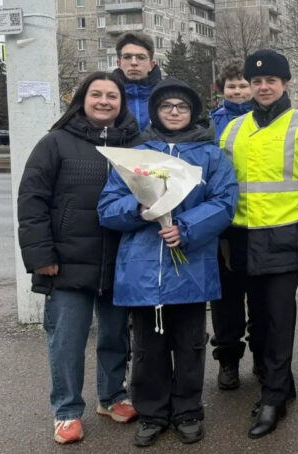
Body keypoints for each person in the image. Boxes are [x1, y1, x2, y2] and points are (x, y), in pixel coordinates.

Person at [98, 78, 238, 447]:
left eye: (182, 106)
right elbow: (107, 208)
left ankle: (188, 410)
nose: (174, 111)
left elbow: (225, 203)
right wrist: (140, 209)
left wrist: (186, 229)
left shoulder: (211, 156)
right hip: (144, 272)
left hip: (190, 268)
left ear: (193, 112)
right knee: (147, 349)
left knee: (190, 345)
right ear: (156, 112)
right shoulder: (136, 156)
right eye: (166, 106)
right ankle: (153, 413)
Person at [17, 71, 141, 445]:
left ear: (122, 104)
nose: (104, 101)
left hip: (118, 261)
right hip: (67, 262)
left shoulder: (134, 145)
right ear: (82, 99)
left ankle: (112, 396)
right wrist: (41, 256)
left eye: (112, 96)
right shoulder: (55, 143)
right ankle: (67, 411)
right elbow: (32, 202)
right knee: (67, 340)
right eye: (96, 94)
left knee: (115, 336)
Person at [218, 49, 298, 439]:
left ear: (285, 84)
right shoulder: (232, 129)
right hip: (242, 237)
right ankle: (280, 381)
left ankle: (274, 397)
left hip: (285, 237)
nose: (263, 87)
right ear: (248, 86)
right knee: (259, 320)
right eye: (256, 81)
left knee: (280, 320)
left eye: (271, 81)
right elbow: (223, 186)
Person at [208, 58, 260, 391]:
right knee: (226, 301)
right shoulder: (210, 125)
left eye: (244, 85)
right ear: (222, 90)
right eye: (232, 86)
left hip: (260, 222)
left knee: (260, 298)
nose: (239, 91)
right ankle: (228, 360)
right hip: (223, 226)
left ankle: (261, 356)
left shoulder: (268, 121)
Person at [113, 32, 162, 131]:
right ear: (119, 63)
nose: (134, 63)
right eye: (127, 57)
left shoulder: (165, 96)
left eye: (141, 57)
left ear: (151, 65)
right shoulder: (104, 98)